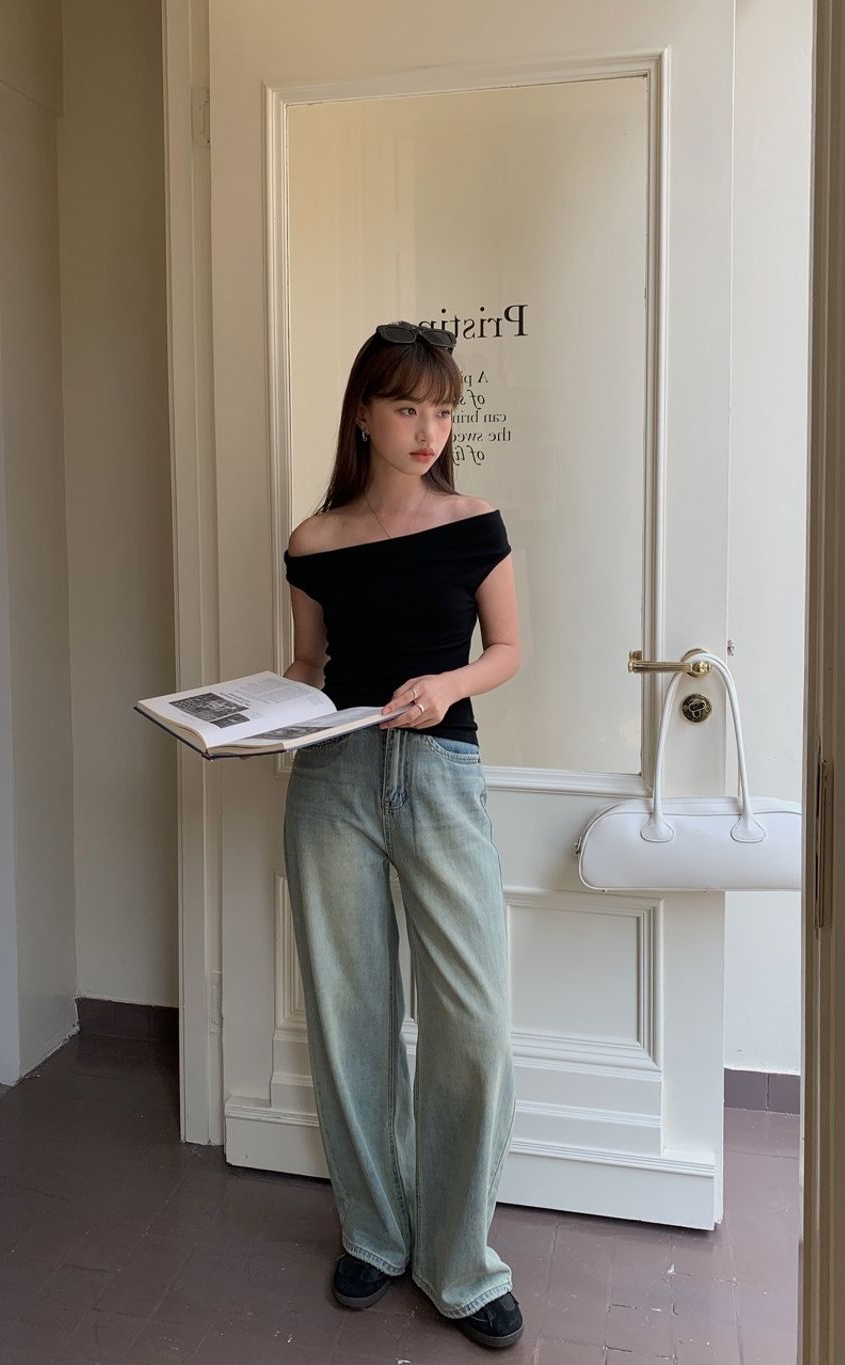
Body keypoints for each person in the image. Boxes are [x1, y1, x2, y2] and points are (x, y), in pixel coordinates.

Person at [282, 321, 523, 1350]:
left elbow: (508, 648)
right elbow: (308, 665)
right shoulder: (313, 541)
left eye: (443, 410)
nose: (429, 430)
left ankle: (460, 1264)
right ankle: (375, 1235)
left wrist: (447, 685)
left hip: (440, 776)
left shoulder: (473, 523)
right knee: (352, 1015)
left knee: (473, 1023)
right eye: (407, 408)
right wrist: (261, 711)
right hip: (331, 777)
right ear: (363, 415)